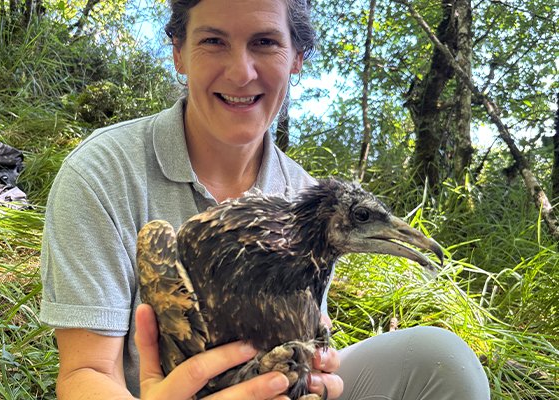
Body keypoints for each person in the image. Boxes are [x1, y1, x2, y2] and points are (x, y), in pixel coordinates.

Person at [39, 0, 491, 399]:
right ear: (179, 52)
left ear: (296, 57)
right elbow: (86, 372)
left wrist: (315, 374)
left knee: (441, 359)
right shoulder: (104, 171)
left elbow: (303, 348)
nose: (241, 72)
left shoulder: (308, 201)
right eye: (213, 41)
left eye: (265, 42)